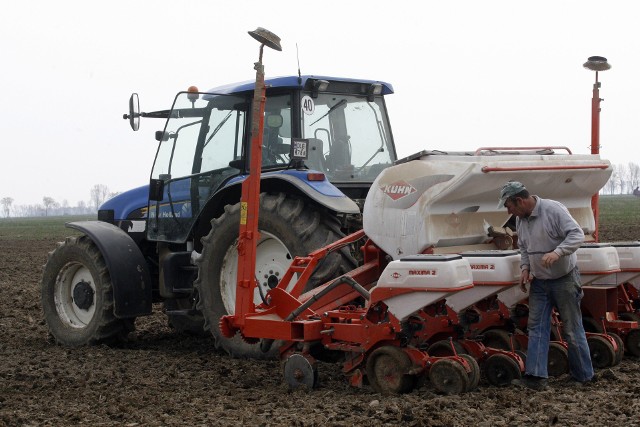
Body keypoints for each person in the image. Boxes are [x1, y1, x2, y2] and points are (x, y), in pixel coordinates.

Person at [497, 181, 595, 390]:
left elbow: (576, 234)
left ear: (520, 200)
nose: (508, 210)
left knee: (571, 328)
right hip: (540, 282)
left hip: (564, 279)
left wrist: (558, 252)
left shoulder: (553, 210)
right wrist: (525, 268)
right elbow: (523, 246)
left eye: (509, 205)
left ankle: (583, 376)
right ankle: (536, 377)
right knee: (537, 327)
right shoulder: (521, 220)